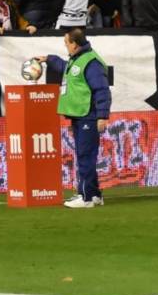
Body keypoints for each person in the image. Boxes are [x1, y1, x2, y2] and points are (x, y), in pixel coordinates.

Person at [44, 28, 110, 209]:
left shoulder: (91, 62)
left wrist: (102, 116)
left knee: (85, 156)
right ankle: (95, 194)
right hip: (80, 115)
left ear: (74, 43)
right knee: (85, 156)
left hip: (89, 116)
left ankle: (86, 197)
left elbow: (102, 90)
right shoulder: (78, 60)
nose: (65, 46)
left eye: (66, 43)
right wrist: (49, 59)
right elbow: (67, 69)